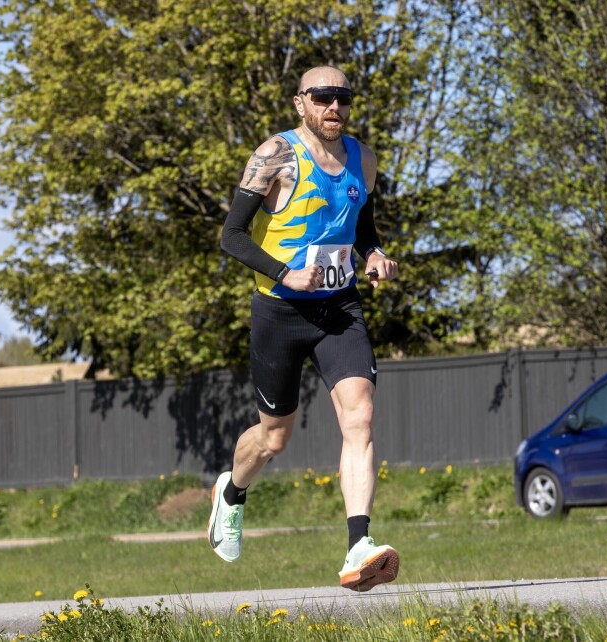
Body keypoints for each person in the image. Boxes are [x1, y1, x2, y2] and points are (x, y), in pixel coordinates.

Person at [212, 65, 400, 592]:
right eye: (322, 97)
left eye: (343, 97)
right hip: (280, 310)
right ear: (301, 103)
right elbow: (231, 236)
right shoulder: (275, 154)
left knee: (360, 416)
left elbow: (363, 226)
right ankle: (231, 493)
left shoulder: (364, 158)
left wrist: (374, 254)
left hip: (339, 307)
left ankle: (358, 546)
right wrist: (285, 272)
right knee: (274, 438)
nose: (334, 106)